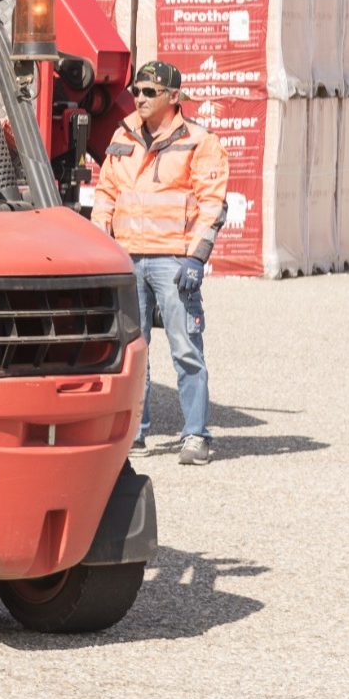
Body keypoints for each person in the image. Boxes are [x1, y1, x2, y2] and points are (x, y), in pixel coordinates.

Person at [90, 60, 228, 465]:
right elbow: (106, 193)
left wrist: (195, 258)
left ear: (173, 97)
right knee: (133, 353)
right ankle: (134, 433)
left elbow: (212, 204)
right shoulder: (123, 135)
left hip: (173, 261)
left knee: (185, 350)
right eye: (136, 91)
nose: (140, 98)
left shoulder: (199, 141)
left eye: (150, 92)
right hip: (127, 259)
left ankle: (196, 437)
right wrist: (101, 248)